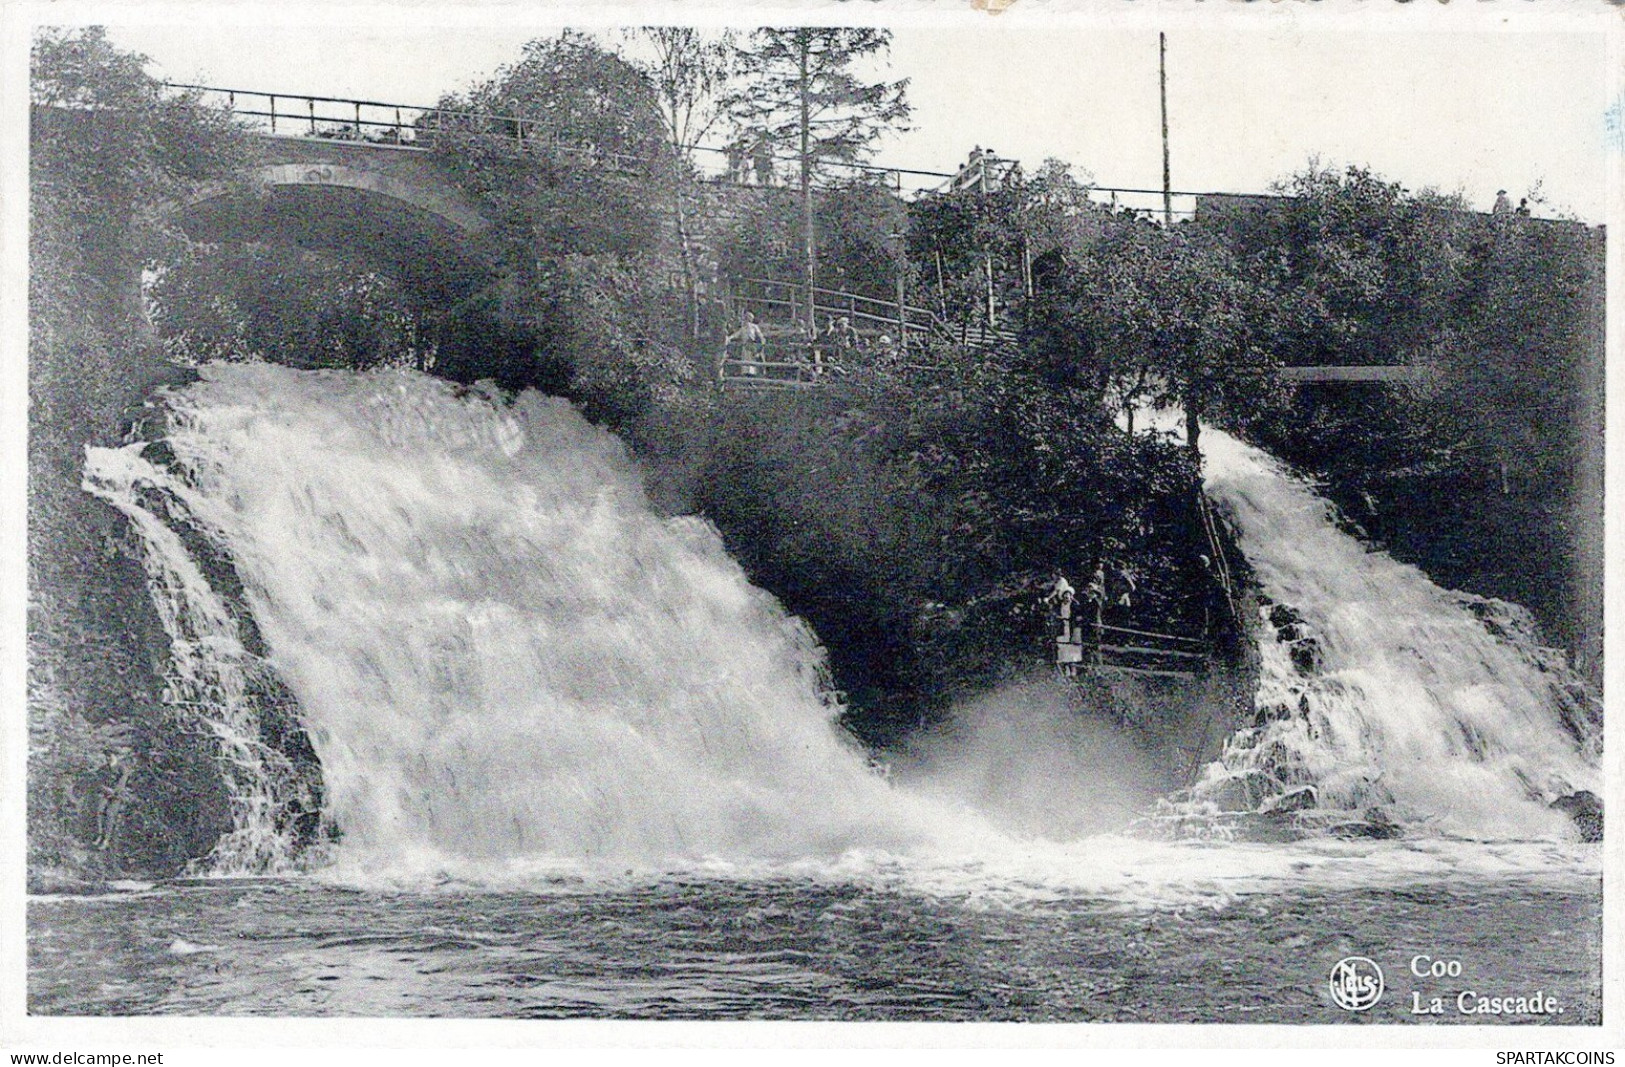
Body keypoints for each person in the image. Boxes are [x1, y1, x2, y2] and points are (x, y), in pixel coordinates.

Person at [724, 310, 765, 376]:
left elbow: (760, 335)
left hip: (752, 346)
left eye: (749, 318)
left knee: (752, 362)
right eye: (746, 318)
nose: (747, 320)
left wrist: (760, 344)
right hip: (745, 346)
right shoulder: (743, 328)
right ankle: (745, 375)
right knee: (745, 361)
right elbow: (736, 334)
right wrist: (729, 338)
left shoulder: (754, 327)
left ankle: (752, 376)